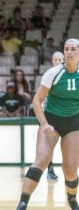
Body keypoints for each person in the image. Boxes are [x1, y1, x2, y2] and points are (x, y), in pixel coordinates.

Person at [13, 39, 79, 210]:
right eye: (66, 49)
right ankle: (23, 203)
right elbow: (36, 101)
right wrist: (44, 124)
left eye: (73, 49)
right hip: (51, 120)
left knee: (70, 169)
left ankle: (72, 199)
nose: (69, 52)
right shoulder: (53, 73)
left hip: (73, 123)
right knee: (41, 160)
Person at [46, 51, 64, 180]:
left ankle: (69, 169)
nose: (57, 62)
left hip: (68, 116)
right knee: (50, 145)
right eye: (55, 60)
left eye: (60, 60)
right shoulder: (48, 76)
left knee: (69, 145)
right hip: (52, 115)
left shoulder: (69, 75)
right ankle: (50, 169)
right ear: (52, 61)